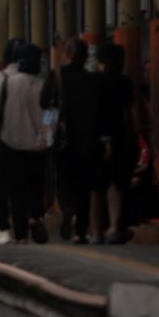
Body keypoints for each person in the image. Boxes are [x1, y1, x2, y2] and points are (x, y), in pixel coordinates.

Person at [0, 43, 53, 244]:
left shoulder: (8, 83)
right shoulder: (42, 85)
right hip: (37, 145)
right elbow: (49, 114)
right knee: (35, 185)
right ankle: (36, 216)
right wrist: (47, 133)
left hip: (10, 142)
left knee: (16, 189)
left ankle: (21, 234)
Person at [55, 38, 103, 244]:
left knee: (63, 180)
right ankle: (81, 231)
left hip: (63, 138)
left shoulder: (57, 76)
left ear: (68, 54)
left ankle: (66, 208)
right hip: (86, 139)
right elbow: (99, 111)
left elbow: (45, 102)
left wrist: (50, 128)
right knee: (83, 186)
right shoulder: (93, 80)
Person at [0, 37, 26, 243]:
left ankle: (3, 227)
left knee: (1, 185)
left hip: (2, 139)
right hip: (27, 140)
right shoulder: (33, 79)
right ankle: (22, 228)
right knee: (22, 185)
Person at [96, 42, 138, 244]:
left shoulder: (96, 81)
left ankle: (96, 229)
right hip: (121, 135)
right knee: (118, 182)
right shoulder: (125, 82)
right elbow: (130, 113)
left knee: (100, 182)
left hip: (99, 135)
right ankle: (115, 226)